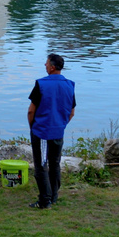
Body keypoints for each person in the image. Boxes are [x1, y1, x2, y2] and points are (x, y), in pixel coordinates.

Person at [27, 53, 76, 209]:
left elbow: (31, 111)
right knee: (55, 164)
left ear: (52, 67)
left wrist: (33, 127)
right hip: (58, 131)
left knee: (41, 166)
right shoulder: (69, 85)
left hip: (42, 131)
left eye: (46, 63)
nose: (45, 65)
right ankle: (54, 196)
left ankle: (44, 200)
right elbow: (71, 112)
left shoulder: (41, 84)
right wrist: (61, 124)